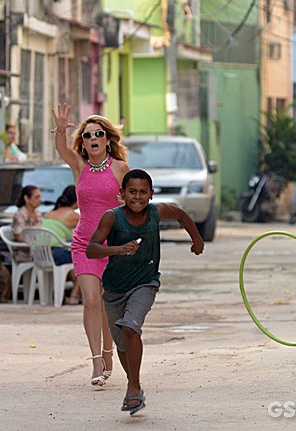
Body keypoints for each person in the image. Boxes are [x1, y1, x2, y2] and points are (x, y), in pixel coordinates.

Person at [86, 169, 204, 415]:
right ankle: (135, 389)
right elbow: (92, 250)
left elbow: (181, 215)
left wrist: (197, 240)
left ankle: (133, 386)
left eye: (142, 192)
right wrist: (118, 250)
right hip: (114, 288)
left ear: (151, 194)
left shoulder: (156, 212)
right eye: (132, 192)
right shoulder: (112, 217)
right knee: (121, 343)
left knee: (130, 327)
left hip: (145, 283)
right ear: (122, 194)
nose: (137, 197)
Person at [51, 103, 130, 387]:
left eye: (98, 134)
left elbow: (133, 203)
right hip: (85, 242)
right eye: (87, 136)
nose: (93, 139)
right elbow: (62, 149)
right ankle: (96, 360)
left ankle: (109, 351)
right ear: (82, 143)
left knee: (108, 304)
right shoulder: (79, 166)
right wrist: (61, 130)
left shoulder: (121, 168)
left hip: (113, 245)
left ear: (108, 139)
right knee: (91, 299)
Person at [41, 185, 82, 305]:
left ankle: (77, 294)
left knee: (75, 258)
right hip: (56, 254)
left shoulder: (50, 213)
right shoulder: (72, 216)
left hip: (42, 254)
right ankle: (75, 296)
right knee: (87, 258)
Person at [11, 185, 42, 262]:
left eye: (40, 197)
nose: (40, 200)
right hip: (24, 252)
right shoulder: (20, 214)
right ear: (26, 198)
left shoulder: (38, 213)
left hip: (37, 250)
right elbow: (19, 237)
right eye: (36, 197)